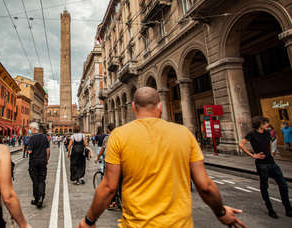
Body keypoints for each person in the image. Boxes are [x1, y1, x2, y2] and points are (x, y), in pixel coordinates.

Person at [76, 87, 245, 228]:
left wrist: (89, 220)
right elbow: (205, 185)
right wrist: (221, 212)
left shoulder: (119, 136)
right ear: (160, 107)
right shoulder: (184, 134)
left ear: (134, 107)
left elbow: (109, 187)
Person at [239, 116, 292, 218]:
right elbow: (241, 144)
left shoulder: (267, 132)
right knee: (264, 187)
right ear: (259, 124)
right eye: (265, 123)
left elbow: (270, 142)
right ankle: (270, 209)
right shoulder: (252, 134)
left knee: (283, 185)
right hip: (261, 164)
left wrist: (272, 152)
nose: (267, 124)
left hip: (272, 163)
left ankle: (288, 209)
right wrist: (253, 155)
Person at [27, 122, 50, 208]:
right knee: (42, 180)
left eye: (30, 128)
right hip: (43, 161)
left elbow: (30, 151)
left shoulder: (32, 138)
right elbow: (48, 150)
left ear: (34, 129)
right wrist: (46, 160)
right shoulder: (45, 137)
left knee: (35, 181)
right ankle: (41, 197)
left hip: (33, 162)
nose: (29, 130)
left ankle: (36, 199)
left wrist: (27, 148)